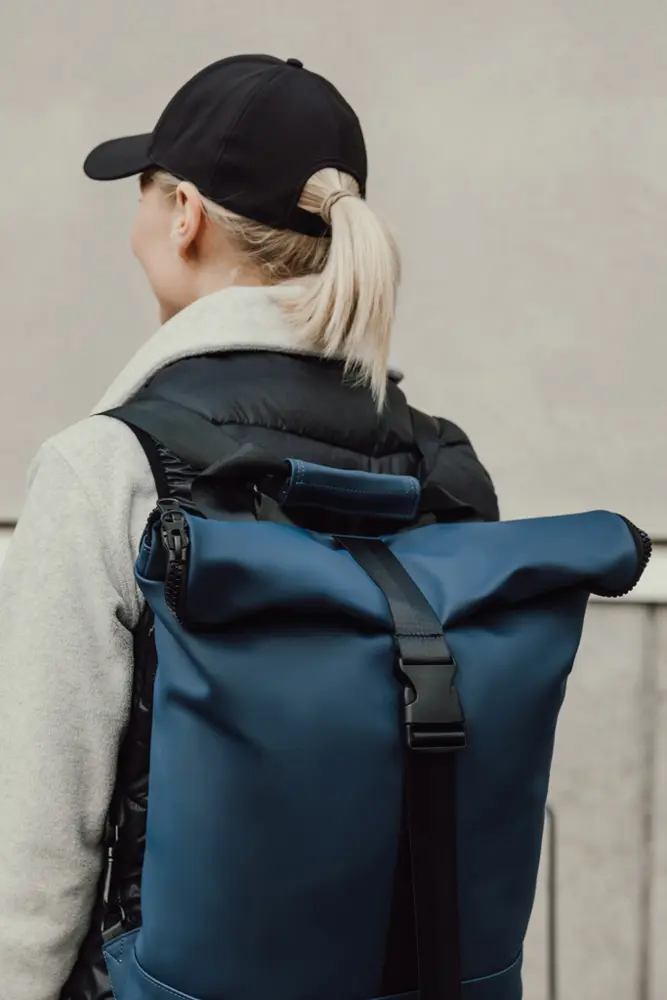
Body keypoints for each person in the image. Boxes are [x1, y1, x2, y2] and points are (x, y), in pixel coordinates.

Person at [0, 54, 499, 1000]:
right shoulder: (440, 465)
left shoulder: (107, 466)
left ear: (182, 214)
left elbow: (31, 860)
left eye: (144, 193)